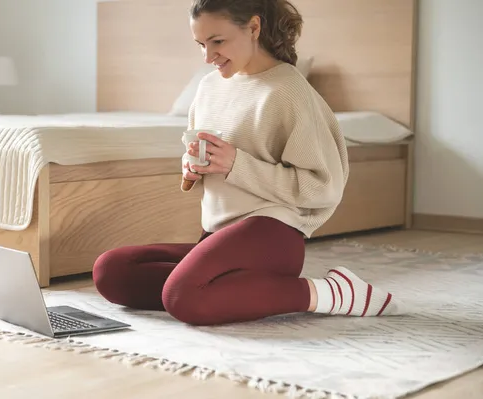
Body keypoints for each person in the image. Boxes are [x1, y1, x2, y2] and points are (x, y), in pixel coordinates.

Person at [92, 0, 407, 326]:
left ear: (254, 28)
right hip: (217, 234)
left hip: (271, 235)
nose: (207, 56)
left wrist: (236, 164)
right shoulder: (208, 87)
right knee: (111, 271)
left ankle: (327, 292)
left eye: (218, 41)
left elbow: (323, 188)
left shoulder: (288, 89)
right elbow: (206, 165)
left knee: (183, 297)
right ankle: (220, 287)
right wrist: (192, 169)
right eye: (201, 44)